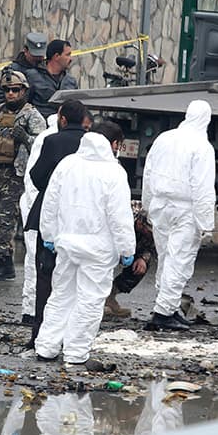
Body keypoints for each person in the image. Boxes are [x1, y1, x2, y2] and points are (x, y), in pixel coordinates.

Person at [35, 130, 135, 367]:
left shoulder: (67, 165)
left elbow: (51, 202)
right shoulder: (114, 172)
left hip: (67, 243)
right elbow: (119, 216)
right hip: (98, 248)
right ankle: (76, 353)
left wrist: (49, 234)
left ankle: (46, 347)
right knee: (90, 300)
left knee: (61, 296)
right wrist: (127, 249)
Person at [141, 100, 216, 331]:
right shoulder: (202, 147)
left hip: (160, 205)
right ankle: (163, 313)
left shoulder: (164, 138)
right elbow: (202, 187)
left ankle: (168, 306)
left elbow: (148, 172)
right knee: (179, 260)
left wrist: (147, 205)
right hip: (185, 209)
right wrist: (206, 222)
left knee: (165, 258)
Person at [25, 99, 93, 346]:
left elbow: (36, 176)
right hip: (82, 217)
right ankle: (70, 335)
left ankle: (40, 333)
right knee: (76, 280)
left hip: (50, 215)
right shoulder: (92, 143)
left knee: (46, 277)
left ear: (62, 119)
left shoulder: (53, 141)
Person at [0, 71, 47, 286]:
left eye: (15, 90)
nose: (10, 94)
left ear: (24, 91)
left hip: (14, 176)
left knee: (5, 221)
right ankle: (6, 264)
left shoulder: (32, 116)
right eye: (7, 90)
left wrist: (25, 137)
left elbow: (42, 145)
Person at [88, 119, 157, 320]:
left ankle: (108, 298)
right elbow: (118, 214)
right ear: (115, 144)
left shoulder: (73, 164)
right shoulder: (112, 171)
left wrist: (141, 257)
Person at [19, 112, 59, 325]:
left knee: (34, 260)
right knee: (40, 261)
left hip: (37, 206)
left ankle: (32, 310)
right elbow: (35, 178)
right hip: (40, 207)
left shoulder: (46, 137)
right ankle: (35, 311)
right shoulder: (52, 140)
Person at [28, 38, 79, 118]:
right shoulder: (32, 76)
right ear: (56, 56)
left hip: (64, 126)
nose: (71, 59)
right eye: (67, 55)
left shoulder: (71, 81)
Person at [0, 31, 48, 105]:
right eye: (34, 55)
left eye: (40, 55)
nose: (37, 59)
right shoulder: (13, 69)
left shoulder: (47, 69)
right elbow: (1, 97)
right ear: (25, 51)